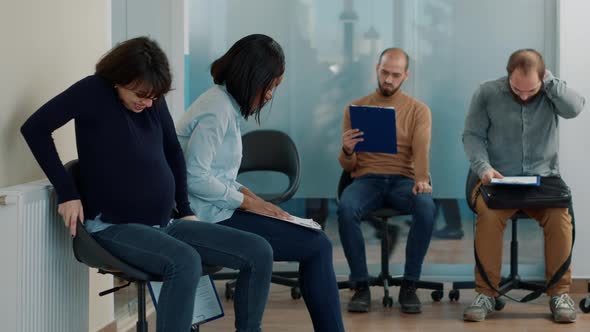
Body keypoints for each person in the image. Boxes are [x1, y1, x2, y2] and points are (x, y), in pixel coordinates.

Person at [20, 37, 275, 332]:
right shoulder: (92, 91)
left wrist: (185, 208)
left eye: (154, 97)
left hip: (166, 223)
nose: (148, 103)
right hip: (112, 227)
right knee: (185, 262)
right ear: (119, 78)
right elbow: (35, 128)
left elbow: (173, 152)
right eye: (140, 95)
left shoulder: (152, 97)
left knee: (259, 251)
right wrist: (67, 193)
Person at [177, 34, 345, 332]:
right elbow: (195, 177)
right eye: (270, 86)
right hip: (205, 218)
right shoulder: (216, 110)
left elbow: (221, 176)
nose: (269, 95)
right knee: (317, 246)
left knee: (315, 242)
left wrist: (256, 200)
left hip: (217, 210)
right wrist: (249, 203)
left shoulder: (223, 104)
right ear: (250, 77)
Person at [462, 49, 585, 323]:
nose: (524, 96)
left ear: (543, 78)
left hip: (543, 179)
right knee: (489, 216)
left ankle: (559, 294)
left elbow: (576, 108)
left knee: (559, 218)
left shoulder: (551, 92)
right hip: (498, 179)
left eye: (531, 90)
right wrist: (484, 169)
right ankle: (486, 294)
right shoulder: (486, 93)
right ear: (508, 76)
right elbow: (471, 135)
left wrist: (549, 84)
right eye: (517, 89)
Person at [337, 48, 436, 314]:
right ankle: (360, 285)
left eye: (395, 75)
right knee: (346, 208)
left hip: (403, 180)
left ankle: (409, 285)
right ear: (376, 70)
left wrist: (422, 179)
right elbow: (349, 165)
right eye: (384, 73)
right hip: (367, 178)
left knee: (427, 207)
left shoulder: (418, 110)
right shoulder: (355, 108)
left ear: (406, 75)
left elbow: (421, 149)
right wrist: (347, 150)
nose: (388, 80)